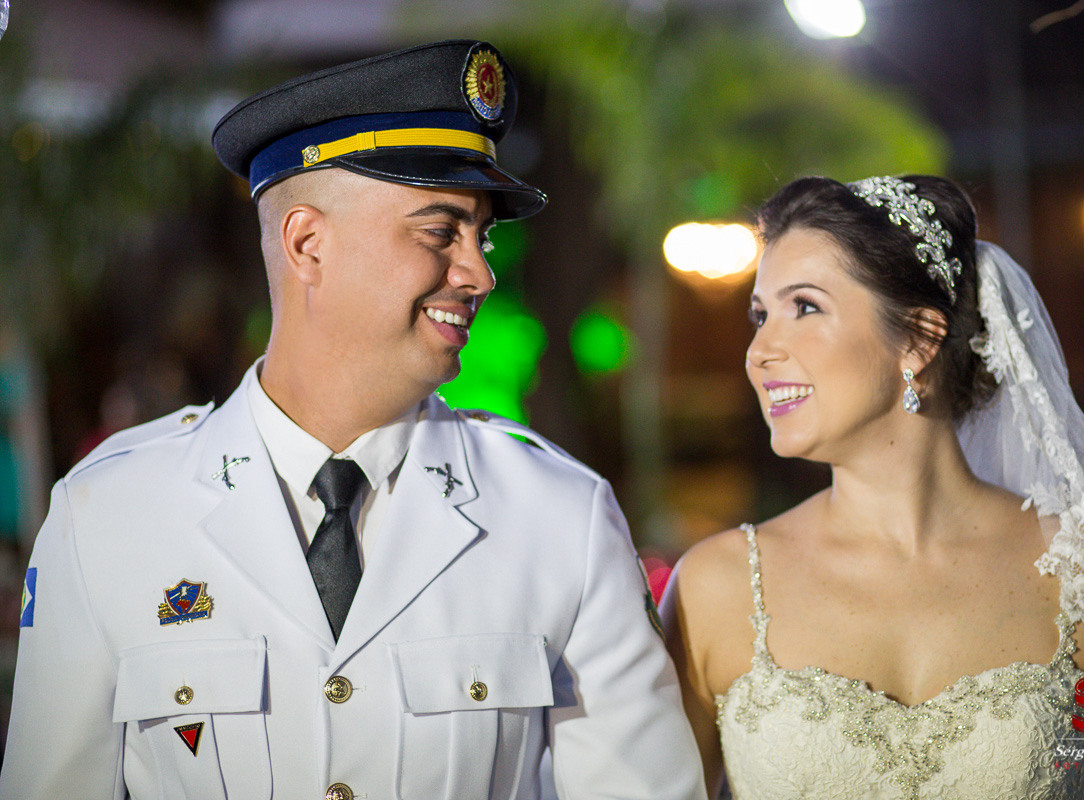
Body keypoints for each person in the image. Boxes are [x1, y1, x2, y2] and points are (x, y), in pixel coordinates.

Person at [2, 40, 705, 799]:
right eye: (441, 231)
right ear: (307, 243)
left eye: (482, 235)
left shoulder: (560, 515)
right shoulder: (108, 514)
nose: (479, 272)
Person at [661, 175, 1084, 799]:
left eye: (803, 307)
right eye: (760, 315)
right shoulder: (715, 589)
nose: (759, 351)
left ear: (918, 338)